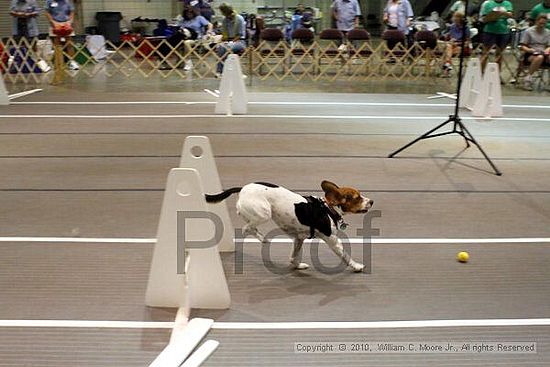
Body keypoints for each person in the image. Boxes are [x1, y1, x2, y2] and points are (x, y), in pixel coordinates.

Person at [479, 0, 513, 73]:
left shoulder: (507, 3)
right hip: (489, 31)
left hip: (503, 31)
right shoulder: (488, 4)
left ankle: (496, 75)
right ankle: (481, 73)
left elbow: (510, 15)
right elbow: (484, 18)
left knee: (499, 55)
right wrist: (493, 16)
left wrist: (503, 13)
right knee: (485, 53)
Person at [519, 14, 550, 90]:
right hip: (530, 53)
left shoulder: (548, 32)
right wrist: (530, 50)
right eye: (540, 23)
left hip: (543, 52)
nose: (542, 25)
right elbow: (522, 46)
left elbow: (549, 45)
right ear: (536, 22)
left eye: (544, 24)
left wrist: (547, 50)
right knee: (539, 57)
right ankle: (528, 79)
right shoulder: (528, 31)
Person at [45, 0, 78, 70]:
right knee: (56, 44)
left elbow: (72, 12)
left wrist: (69, 22)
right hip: (54, 24)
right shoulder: (49, 1)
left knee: (69, 44)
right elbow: (47, 12)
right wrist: (53, 22)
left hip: (67, 23)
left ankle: (72, 62)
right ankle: (58, 63)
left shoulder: (69, 1)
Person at [215, 3, 246, 77]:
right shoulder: (225, 20)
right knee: (221, 47)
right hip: (228, 40)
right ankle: (220, 71)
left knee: (227, 47)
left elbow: (240, 34)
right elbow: (225, 34)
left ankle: (222, 70)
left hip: (240, 41)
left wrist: (231, 42)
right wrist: (220, 40)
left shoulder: (239, 19)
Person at [443, 12, 471, 76]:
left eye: (456, 17)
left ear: (461, 18)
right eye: (454, 17)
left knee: (448, 51)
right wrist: (452, 41)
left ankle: (447, 66)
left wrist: (458, 43)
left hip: (462, 46)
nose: (454, 18)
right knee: (448, 47)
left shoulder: (466, 28)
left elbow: (468, 42)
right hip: (452, 45)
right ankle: (448, 65)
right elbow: (451, 38)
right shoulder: (452, 27)